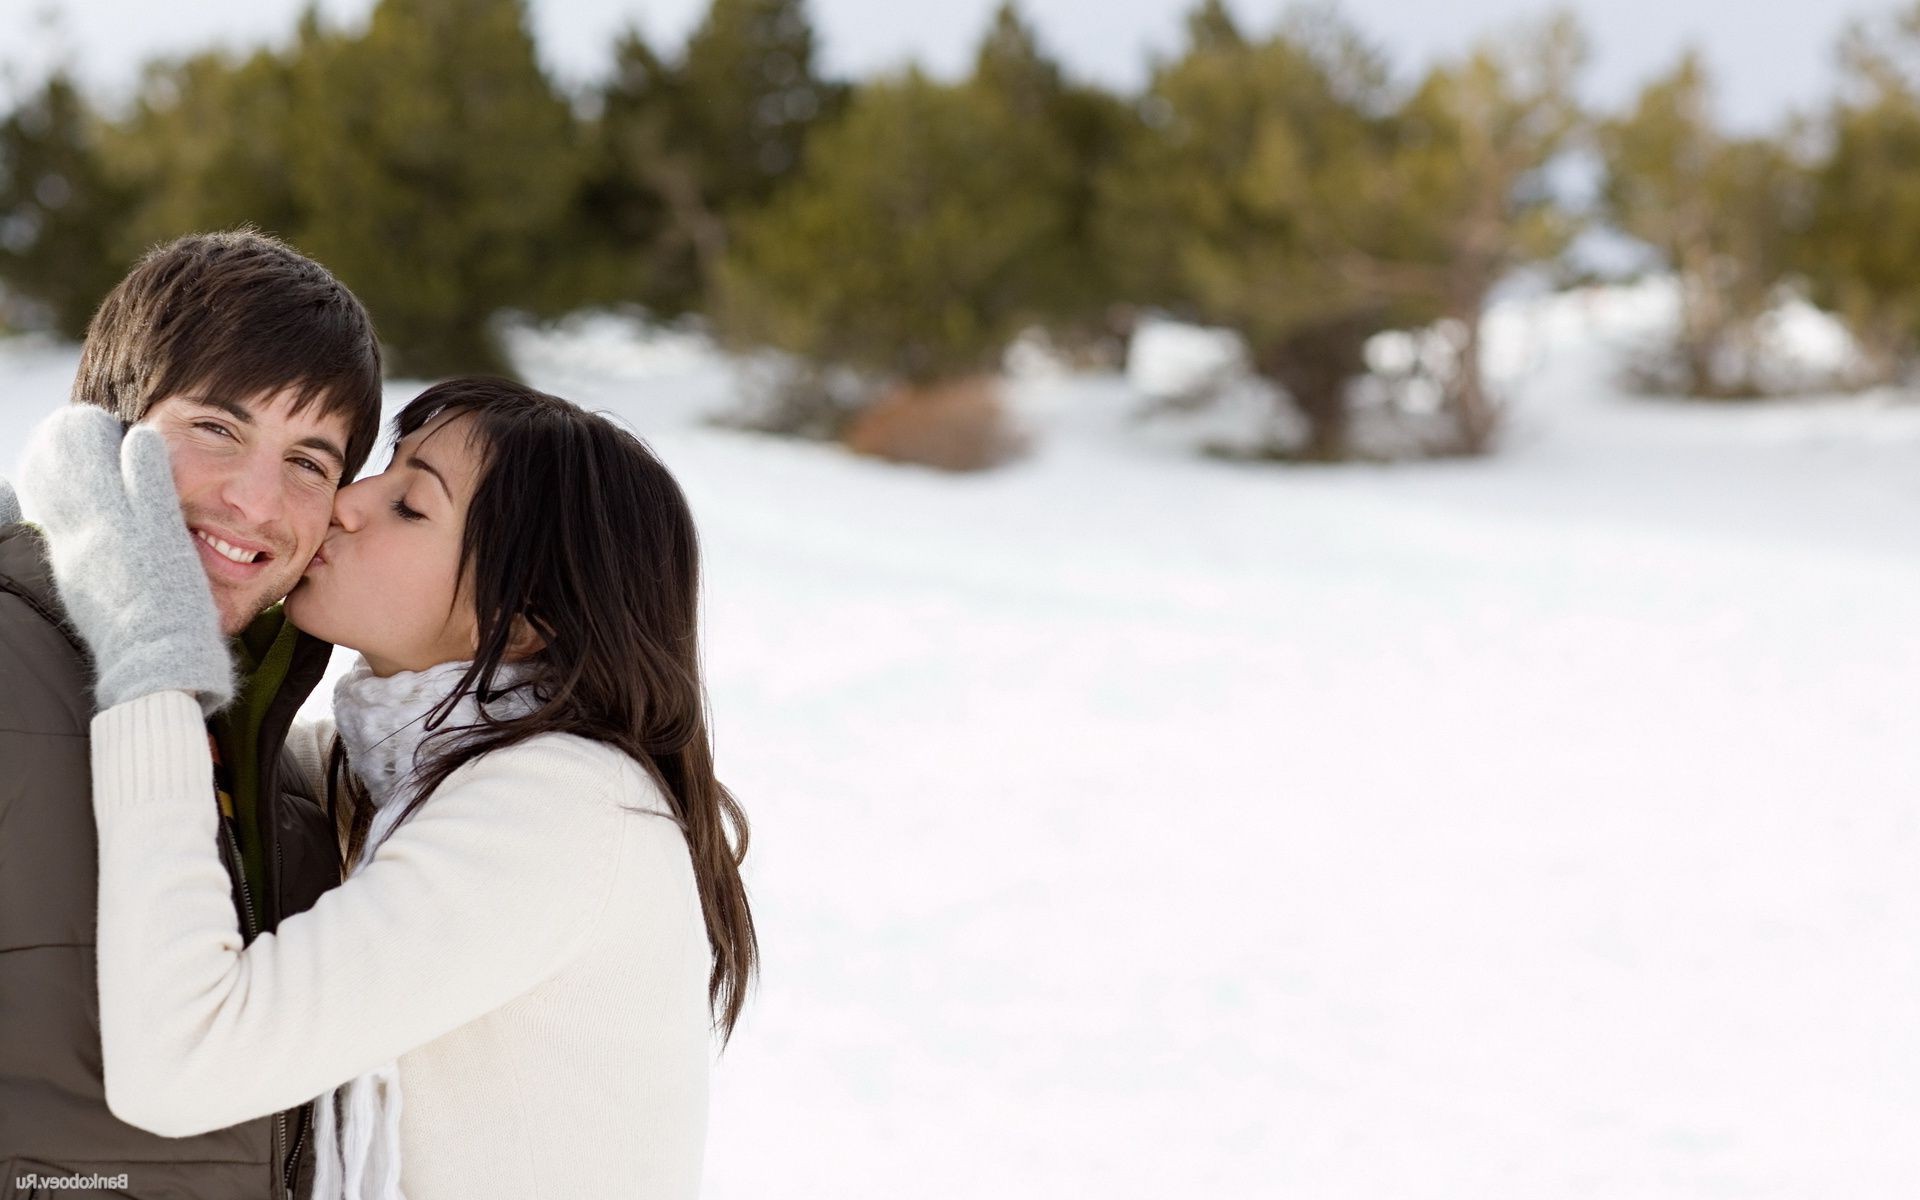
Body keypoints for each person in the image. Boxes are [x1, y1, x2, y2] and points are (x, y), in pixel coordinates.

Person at [16, 376, 757, 1200]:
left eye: (411, 504)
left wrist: (149, 640)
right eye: (383, 467)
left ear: (522, 621)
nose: (347, 503)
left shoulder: (563, 808)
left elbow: (185, 1061)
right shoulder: (394, 772)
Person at [0, 229, 383, 1200]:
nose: (256, 502)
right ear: (105, 424)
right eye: (216, 428)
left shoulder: (282, 771)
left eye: (309, 460)